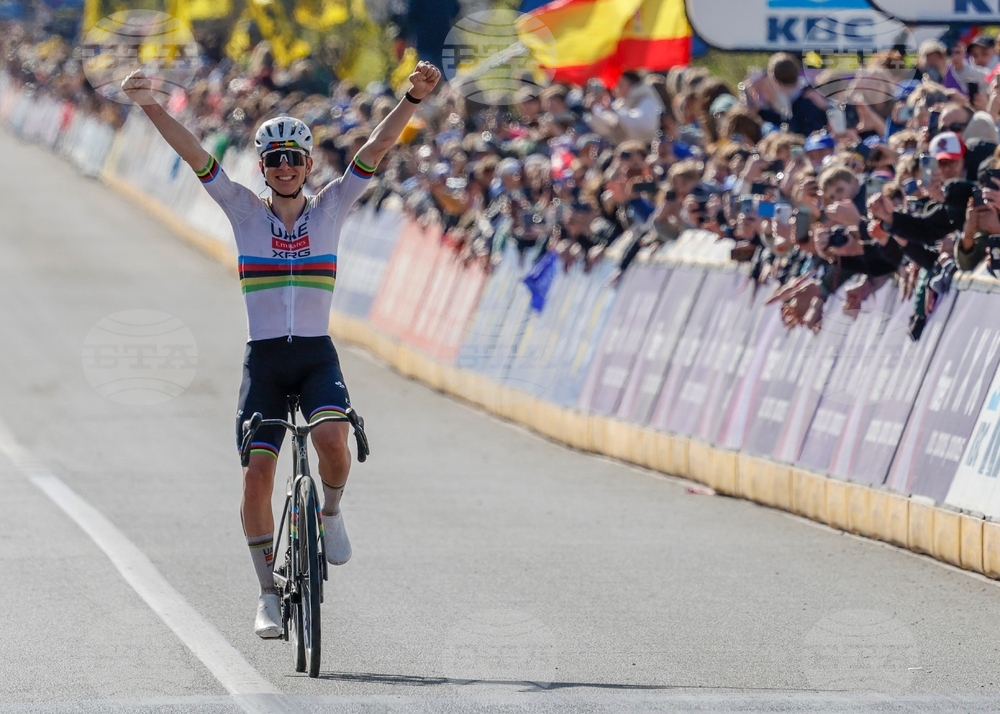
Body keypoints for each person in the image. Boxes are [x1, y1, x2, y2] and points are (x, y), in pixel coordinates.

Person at [120, 61, 443, 638]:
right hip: (265, 360)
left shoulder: (333, 206)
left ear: (309, 163)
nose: (287, 166)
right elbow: (194, 152)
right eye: (276, 159)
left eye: (296, 157)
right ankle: (268, 591)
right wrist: (148, 104)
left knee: (332, 442)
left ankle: (332, 511)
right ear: (264, 168)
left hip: (317, 354)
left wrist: (411, 99)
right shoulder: (243, 210)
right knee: (256, 476)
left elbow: (378, 143)